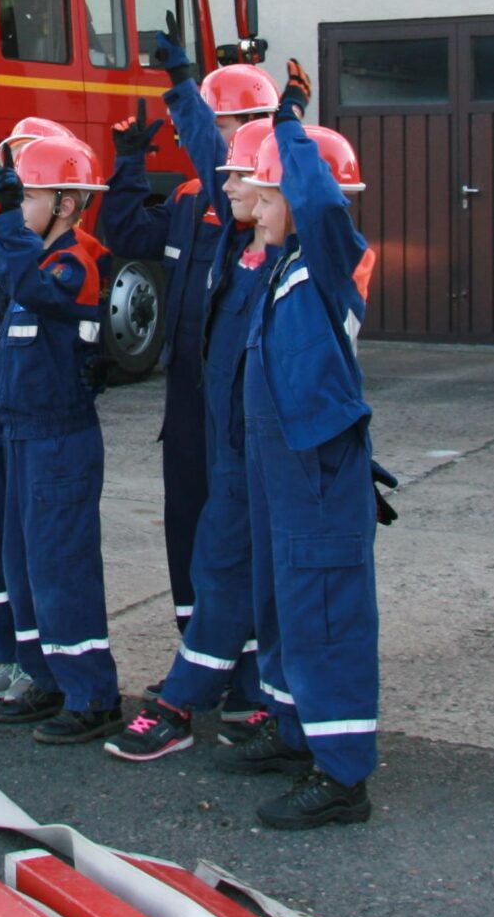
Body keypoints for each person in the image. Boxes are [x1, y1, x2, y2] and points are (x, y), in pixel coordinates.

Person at [211, 64, 381, 829]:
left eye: (266, 192)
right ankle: (291, 728)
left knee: (323, 612)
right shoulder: (283, 263)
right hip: (282, 466)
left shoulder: (331, 253)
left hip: (319, 469)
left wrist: (287, 122)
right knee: (282, 605)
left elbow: (312, 197)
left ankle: (342, 774)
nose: (255, 203)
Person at [99, 45, 276, 690]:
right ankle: (199, 653)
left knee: (234, 530)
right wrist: (126, 168)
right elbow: (124, 234)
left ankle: (245, 670)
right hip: (185, 393)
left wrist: (182, 86)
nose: (192, 135)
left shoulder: (257, 205)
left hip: (232, 396)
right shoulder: (191, 197)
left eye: (209, 122)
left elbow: (216, 156)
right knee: (187, 520)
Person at [0, 134, 123, 746]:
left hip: (59, 440)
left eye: (29, 195)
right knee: (24, 564)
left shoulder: (75, 263)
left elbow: (34, 289)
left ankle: (92, 694)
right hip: (23, 434)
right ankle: (47, 675)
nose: (18, 209)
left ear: (66, 204)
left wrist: (11, 227)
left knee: (61, 567)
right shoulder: (35, 254)